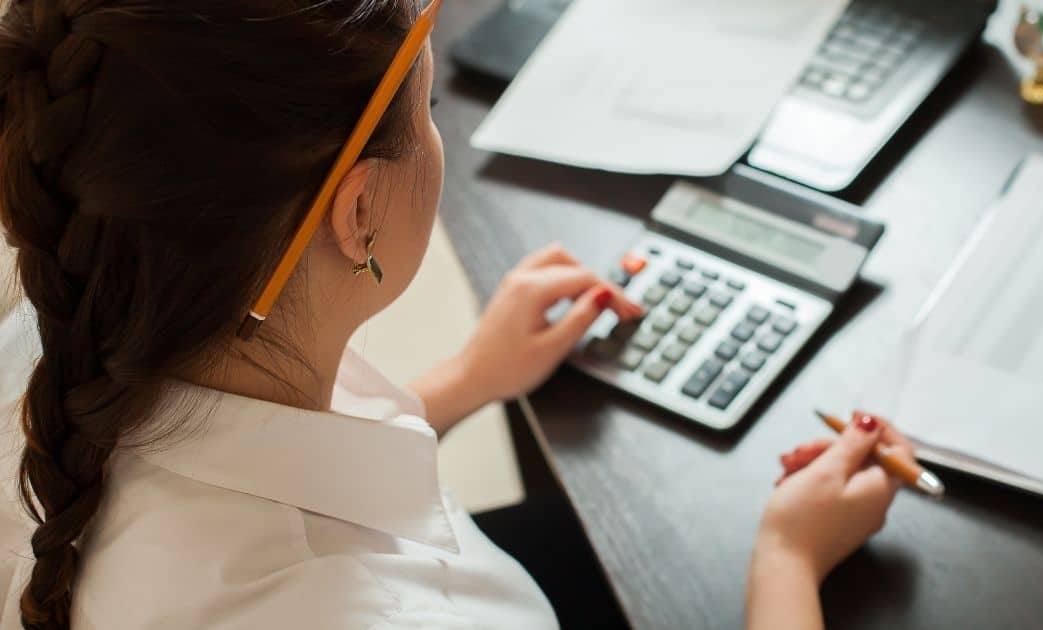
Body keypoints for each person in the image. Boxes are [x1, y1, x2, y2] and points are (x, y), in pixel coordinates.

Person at [0, 1, 916, 628]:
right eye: (428, 104)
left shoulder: (51, 328)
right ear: (357, 212)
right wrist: (788, 561)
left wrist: (466, 381)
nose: (438, 132)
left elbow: (233, 472)